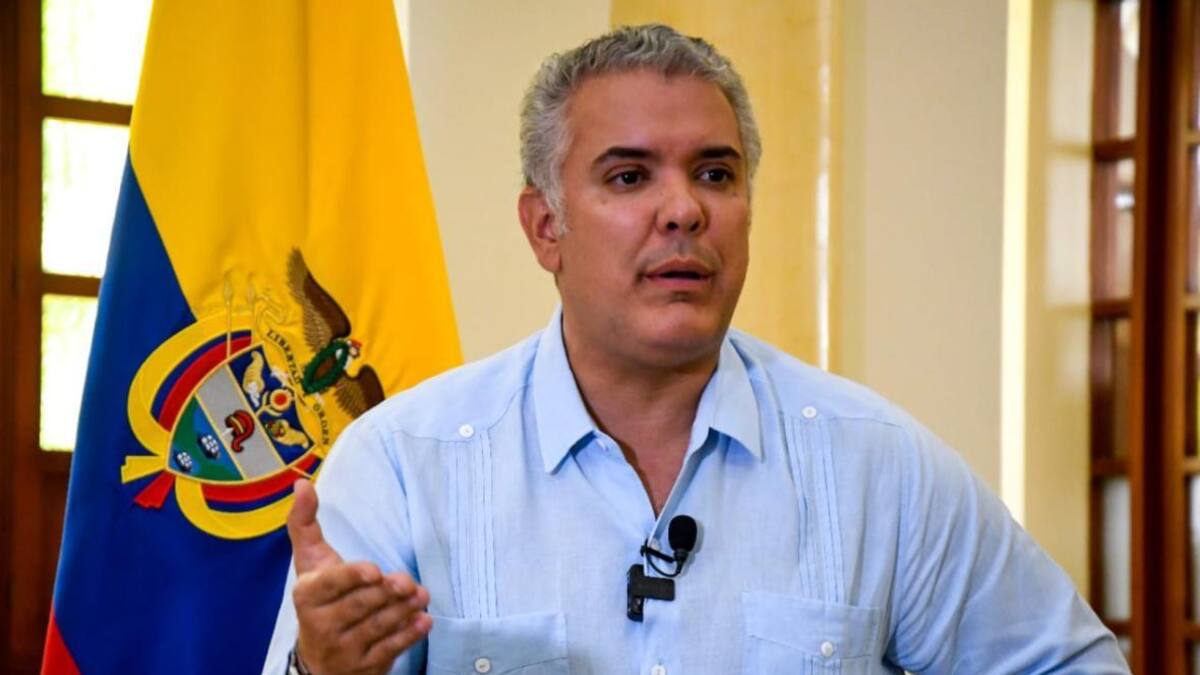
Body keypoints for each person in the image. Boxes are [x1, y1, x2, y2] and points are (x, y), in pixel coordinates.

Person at [263, 24, 1127, 675]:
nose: (684, 211)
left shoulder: (875, 464)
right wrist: (322, 671)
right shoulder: (404, 464)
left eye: (715, 173)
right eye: (629, 176)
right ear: (545, 227)